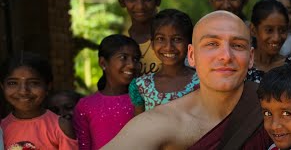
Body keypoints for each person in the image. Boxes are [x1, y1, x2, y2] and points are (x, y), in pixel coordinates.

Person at [101, 11, 275, 150]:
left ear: (251, 57)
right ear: (191, 55)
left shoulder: (274, 106)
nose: (226, 56)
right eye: (212, 44)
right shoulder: (164, 121)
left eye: (237, 45)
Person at [73, 34, 141, 150]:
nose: (131, 65)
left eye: (135, 59)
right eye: (123, 57)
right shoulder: (85, 106)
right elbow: (84, 146)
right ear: (103, 63)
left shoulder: (142, 99)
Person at [0, 52, 78, 149]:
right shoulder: (2, 128)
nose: (23, 91)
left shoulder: (60, 127)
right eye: (13, 83)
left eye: (33, 83)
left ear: (48, 86)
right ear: (2, 86)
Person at [129, 9, 199, 115]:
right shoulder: (142, 85)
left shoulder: (202, 82)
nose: (168, 47)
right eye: (161, 39)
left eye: (177, 39)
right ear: (152, 44)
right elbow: (139, 128)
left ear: (190, 44)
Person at [247, 0, 291, 83]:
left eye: (282, 30)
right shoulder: (242, 67)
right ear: (253, 30)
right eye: (269, 30)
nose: (276, 38)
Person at [118, 0, 162, 75]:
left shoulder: (170, 41)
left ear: (158, 0)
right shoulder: (119, 45)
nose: (140, 6)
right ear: (122, 1)